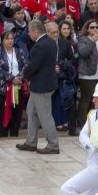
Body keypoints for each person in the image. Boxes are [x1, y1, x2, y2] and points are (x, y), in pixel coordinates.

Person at [16, 19, 60, 155]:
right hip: (41, 85)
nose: (28, 34)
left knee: (45, 116)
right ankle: (31, 141)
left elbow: (34, 66)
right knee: (32, 112)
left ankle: (53, 144)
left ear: (35, 32)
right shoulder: (51, 42)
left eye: (29, 32)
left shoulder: (40, 46)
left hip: (42, 87)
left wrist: (23, 74)